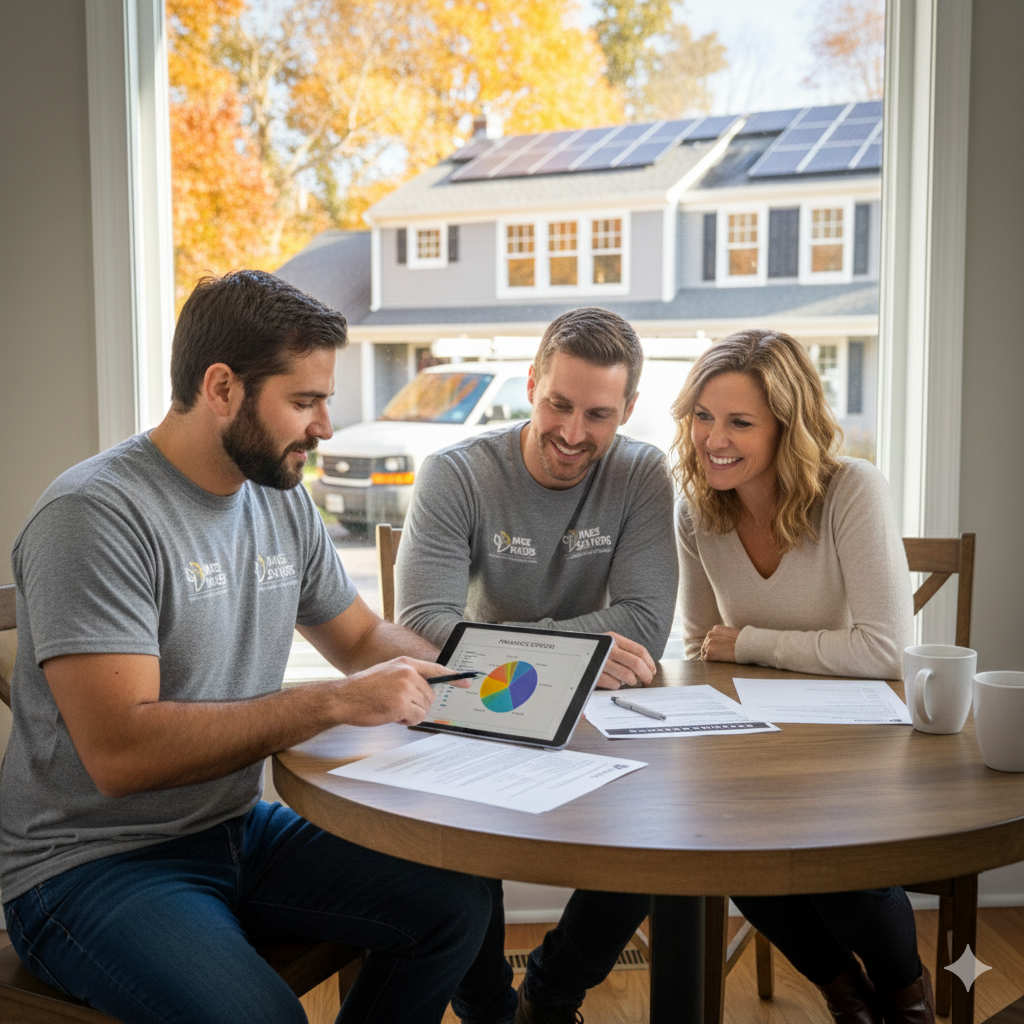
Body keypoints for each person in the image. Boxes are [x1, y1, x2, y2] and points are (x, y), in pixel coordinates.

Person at [0, 270, 492, 1024]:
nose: (325, 425)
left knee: (457, 898)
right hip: (89, 866)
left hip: (233, 829)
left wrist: (480, 685)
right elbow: (121, 754)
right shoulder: (94, 515)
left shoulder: (278, 496)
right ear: (221, 387)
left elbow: (361, 637)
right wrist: (332, 702)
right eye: (304, 402)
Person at [396, 306, 678, 1024]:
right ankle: (490, 1010)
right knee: (456, 847)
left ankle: (551, 995)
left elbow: (646, 623)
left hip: (594, 709)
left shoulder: (643, 474)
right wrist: (571, 648)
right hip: (485, 706)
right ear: (530, 385)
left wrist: (504, 639)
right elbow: (422, 624)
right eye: (558, 403)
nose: (573, 433)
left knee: (663, 832)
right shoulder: (456, 473)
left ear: (629, 410)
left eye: (598, 414)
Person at [670, 328, 931, 1024]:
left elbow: (883, 650)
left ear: (788, 427)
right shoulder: (697, 508)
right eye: (702, 415)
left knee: (840, 861)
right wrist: (742, 651)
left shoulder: (852, 489)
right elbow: (701, 648)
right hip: (758, 739)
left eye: (739, 422)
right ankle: (845, 994)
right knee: (734, 848)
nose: (711, 438)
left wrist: (753, 641)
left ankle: (907, 998)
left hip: (864, 739)